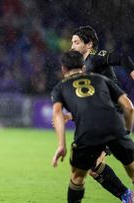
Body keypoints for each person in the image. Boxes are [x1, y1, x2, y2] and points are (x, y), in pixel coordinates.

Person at [51, 50, 134, 203]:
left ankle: (125, 195)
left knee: (77, 177)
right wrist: (126, 132)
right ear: (83, 67)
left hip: (88, 133)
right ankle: (127, 196)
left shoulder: (60, 87)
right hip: (115, 126)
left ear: (63, 69)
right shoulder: (101, 79)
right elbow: (129, 108)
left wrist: (61, 145)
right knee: (131, 169)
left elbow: (57, 115)